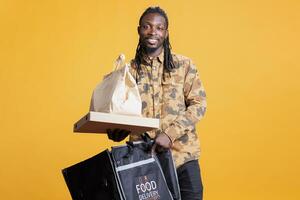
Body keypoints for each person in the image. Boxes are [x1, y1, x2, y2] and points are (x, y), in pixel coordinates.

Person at [107, 6, 207, 200]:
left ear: (166, 33)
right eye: (147, 26)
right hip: (143, 162)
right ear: (139, 30)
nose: (153, 32)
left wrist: (170, 134)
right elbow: (119, 111)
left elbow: (199, 104)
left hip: (183, 158)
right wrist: (117, 129)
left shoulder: (184, 65)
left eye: (159, 28)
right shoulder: (127, 72)